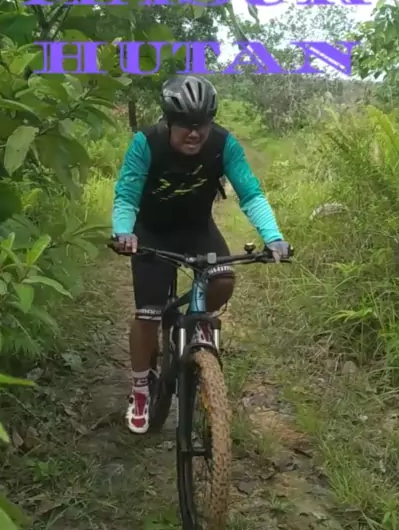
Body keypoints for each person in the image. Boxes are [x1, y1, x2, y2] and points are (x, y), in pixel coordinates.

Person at [112, 75, 290, 434]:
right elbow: (127, 196)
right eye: (186, 125)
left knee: (223, 279)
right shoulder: (146, 143)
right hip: (152, 231)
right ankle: (141, 388)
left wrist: (273, 237)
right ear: (169, 122)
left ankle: (196, 319)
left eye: (202, 124)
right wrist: (124, 231)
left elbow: (250, 194)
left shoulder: (224, 144)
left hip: (196, 227)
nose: (195, 133)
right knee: (148, 314)